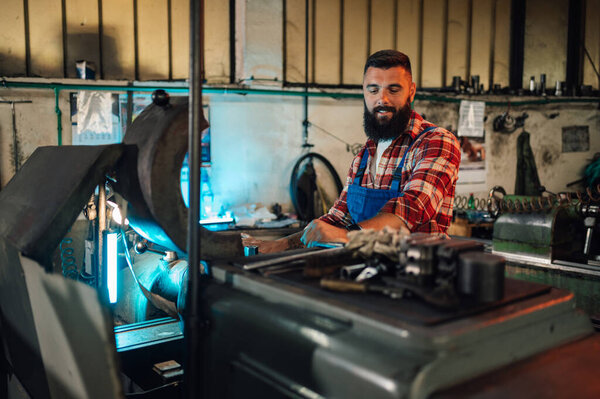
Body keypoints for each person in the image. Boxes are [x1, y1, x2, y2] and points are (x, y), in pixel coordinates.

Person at [243, 50, 461, 253]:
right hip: (363, 274)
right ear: (364, 91)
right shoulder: (363, 157)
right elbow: (337, 219)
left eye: (393, 89)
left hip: (417, 275)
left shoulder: (435, 142)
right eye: (373, 89)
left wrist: (348, 236)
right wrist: (279, 245)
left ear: (411, 91)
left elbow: (410, 210)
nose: (382, 99)